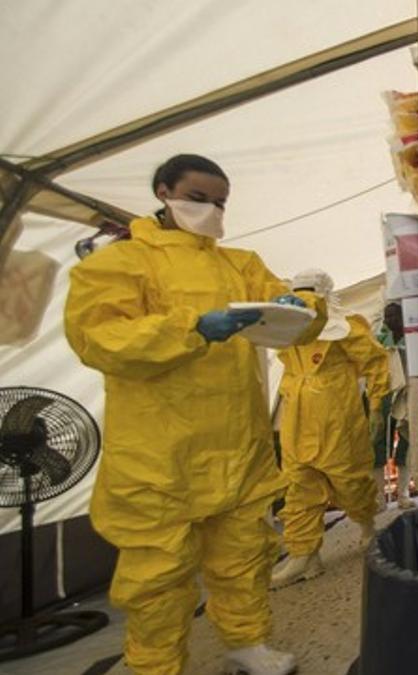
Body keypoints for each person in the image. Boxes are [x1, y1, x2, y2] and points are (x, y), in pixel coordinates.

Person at [64, 154, 326, 675]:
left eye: (220, 202)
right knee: (157, 572)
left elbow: (301, 319)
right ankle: (155, 665)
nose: (211, 211)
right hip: (158, 452)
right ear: (165, 191)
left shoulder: (240, 265)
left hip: (237, 443)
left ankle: (246, 643)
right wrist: (191, 328)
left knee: (244, 554)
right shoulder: (117, 264)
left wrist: (300, 303)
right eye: (199, 198)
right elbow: (100, 339)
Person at [270, 269, 391, 588]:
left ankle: (366, 527)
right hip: (296, 413)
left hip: (335, 413)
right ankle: (304, 555)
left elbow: (376, 361)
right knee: (298, 483)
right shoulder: (287, 328)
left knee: (348, 477)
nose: (304, 296)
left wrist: (377, 403)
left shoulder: (345, 326)